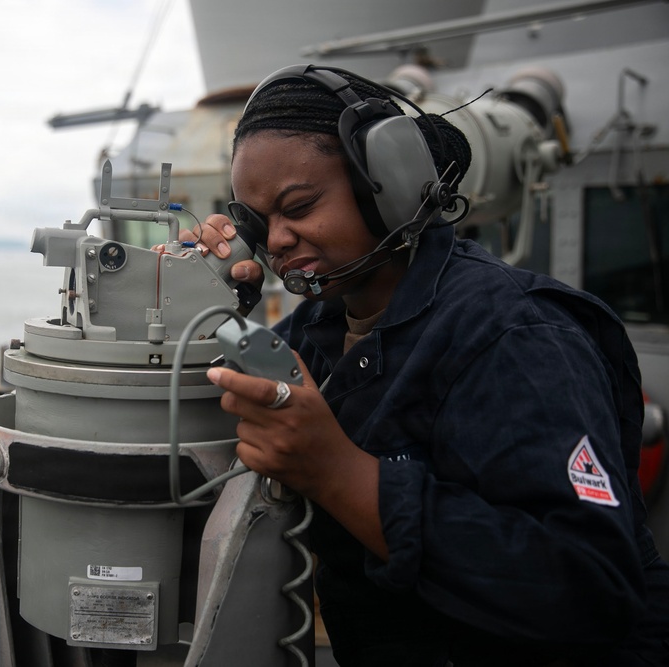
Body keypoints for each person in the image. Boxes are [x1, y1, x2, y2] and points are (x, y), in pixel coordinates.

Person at [188, 64, 669, 666]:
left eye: (300, 206)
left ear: (388, 181)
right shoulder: (318, 328)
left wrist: (338, 472)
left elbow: (592, 589)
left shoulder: (517, 336)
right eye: (260, 223)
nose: (278, 241)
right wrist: (201, 305)